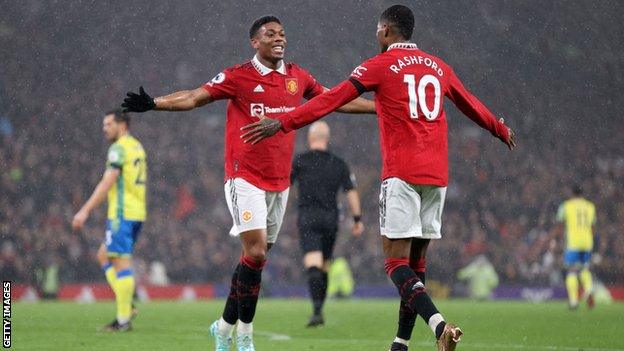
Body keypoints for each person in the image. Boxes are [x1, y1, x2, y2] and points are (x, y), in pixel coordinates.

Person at [241, 5, 516, 351]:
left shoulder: (379, 66)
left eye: (377, 31)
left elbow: (330, 100)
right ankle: (400, 342)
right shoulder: (438, 66)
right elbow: (468, 102)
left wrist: (283, 122)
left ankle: (440, 325)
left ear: (386, 31)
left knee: (395, 263)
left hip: (402, 174)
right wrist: (499, 128)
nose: (376, 36)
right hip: (437, 176)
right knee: (417, 264)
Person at [120, 15, 375, 351]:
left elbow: (334, 100)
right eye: (270, 34)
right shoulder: (238, 76)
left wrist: (380, 110)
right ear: (255, 42)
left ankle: (223, 327)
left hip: (279, 182)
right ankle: (245, 337)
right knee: (255, 253)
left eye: (282, 33)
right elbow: (196, 96)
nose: (279, 38)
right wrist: (156, 103)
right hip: (244, 177)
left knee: (252, 260)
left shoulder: (298, 77)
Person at [72, 109, 147, 331]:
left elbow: (107, 182)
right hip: (136, 211)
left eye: (108, 124)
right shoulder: (137, 146)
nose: (104, 128)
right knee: (103, 255)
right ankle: (127, 305)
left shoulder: (118, 148)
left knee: (121, 262)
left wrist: (84, 210)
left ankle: (123, 319)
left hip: (122, 213)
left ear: (121, 124)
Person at [290, 121, 364, 327]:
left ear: (310, 138)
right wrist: (357, 219)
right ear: (327, 139)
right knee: (324, 266)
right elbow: (351, 191)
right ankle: (319, 311)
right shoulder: (338, 163)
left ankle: (316, 312)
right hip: (331, 220)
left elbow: (283, 186)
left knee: (313, 265)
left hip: (308, 217)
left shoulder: (300, 161)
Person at [556, 184, 596, 310]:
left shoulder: (566, 206)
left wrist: (557, 240)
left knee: (572, 271)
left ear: (572, 193)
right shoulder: (590, 206)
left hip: (573, 242)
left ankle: (573, 302)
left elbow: (560, 224)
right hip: (587, 242)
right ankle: (589, 289)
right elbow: (593, 227)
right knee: (584, 268)